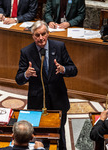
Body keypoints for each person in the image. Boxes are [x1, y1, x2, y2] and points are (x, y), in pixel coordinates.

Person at [15, 20, 77, 150]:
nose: (41, 38)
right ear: (32, 36)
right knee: (39, 135)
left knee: (60, 134)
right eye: (37, 35)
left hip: (58, 100)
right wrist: (26, 74)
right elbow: (19, 79)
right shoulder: (26, 52)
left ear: (48, 34)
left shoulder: (59, 47)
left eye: (43, 34)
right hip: (37, 102)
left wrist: (63, 69)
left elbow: (74, 69)